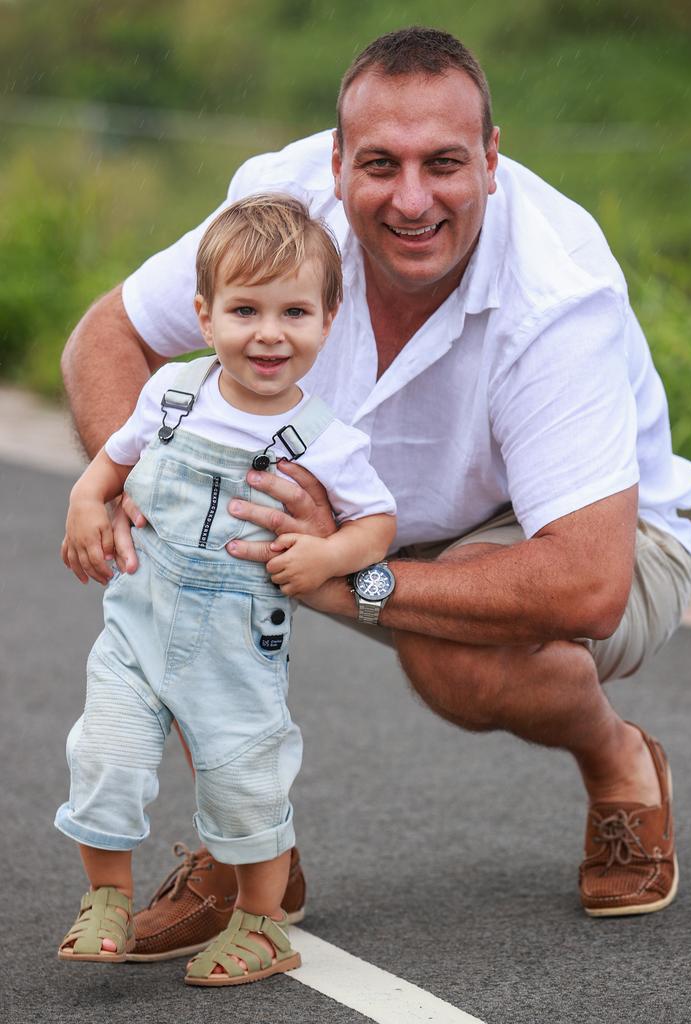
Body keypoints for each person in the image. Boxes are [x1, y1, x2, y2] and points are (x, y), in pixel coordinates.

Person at [60, 26, 691, 957]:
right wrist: (129, 492)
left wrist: (351, 581)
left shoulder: (556, 292)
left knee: (452, 659)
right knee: (188, 532)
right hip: (354, 508)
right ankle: (251, 854)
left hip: (595, 531)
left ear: (491, 159)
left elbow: (589, 584)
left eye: (444, 163)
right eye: (380, 165)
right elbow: (108, 335)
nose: (412, 200)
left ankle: (620, 763)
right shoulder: (284, 207)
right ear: (335, 163)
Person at [55, 194, 397, 986]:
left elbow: (377, 523)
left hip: (238, 644)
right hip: (136, 627)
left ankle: (262, 923)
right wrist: (85, 497)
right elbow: (114, 458)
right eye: (245, 309)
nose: (269, 332)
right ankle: (107, 899)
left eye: (294, 311)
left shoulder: (327, 440)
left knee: (247, 783)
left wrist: (328, 554)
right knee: (102, 758)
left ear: (329, 319)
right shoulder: (171, 394)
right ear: (205, 317)